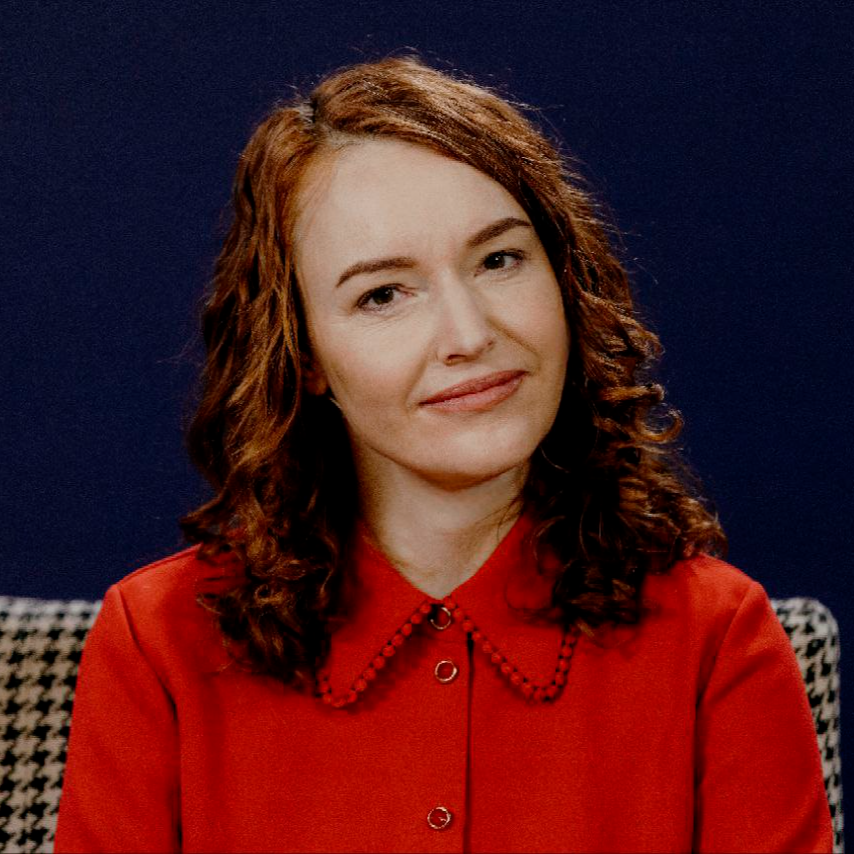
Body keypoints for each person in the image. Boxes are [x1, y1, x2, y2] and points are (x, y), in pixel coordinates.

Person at [55, 55, 832, 853]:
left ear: (566, 281)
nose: (468, 335)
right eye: (382, 294)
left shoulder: (718, 637)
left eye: (499, 260)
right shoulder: (157, 643)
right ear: (305, 355)